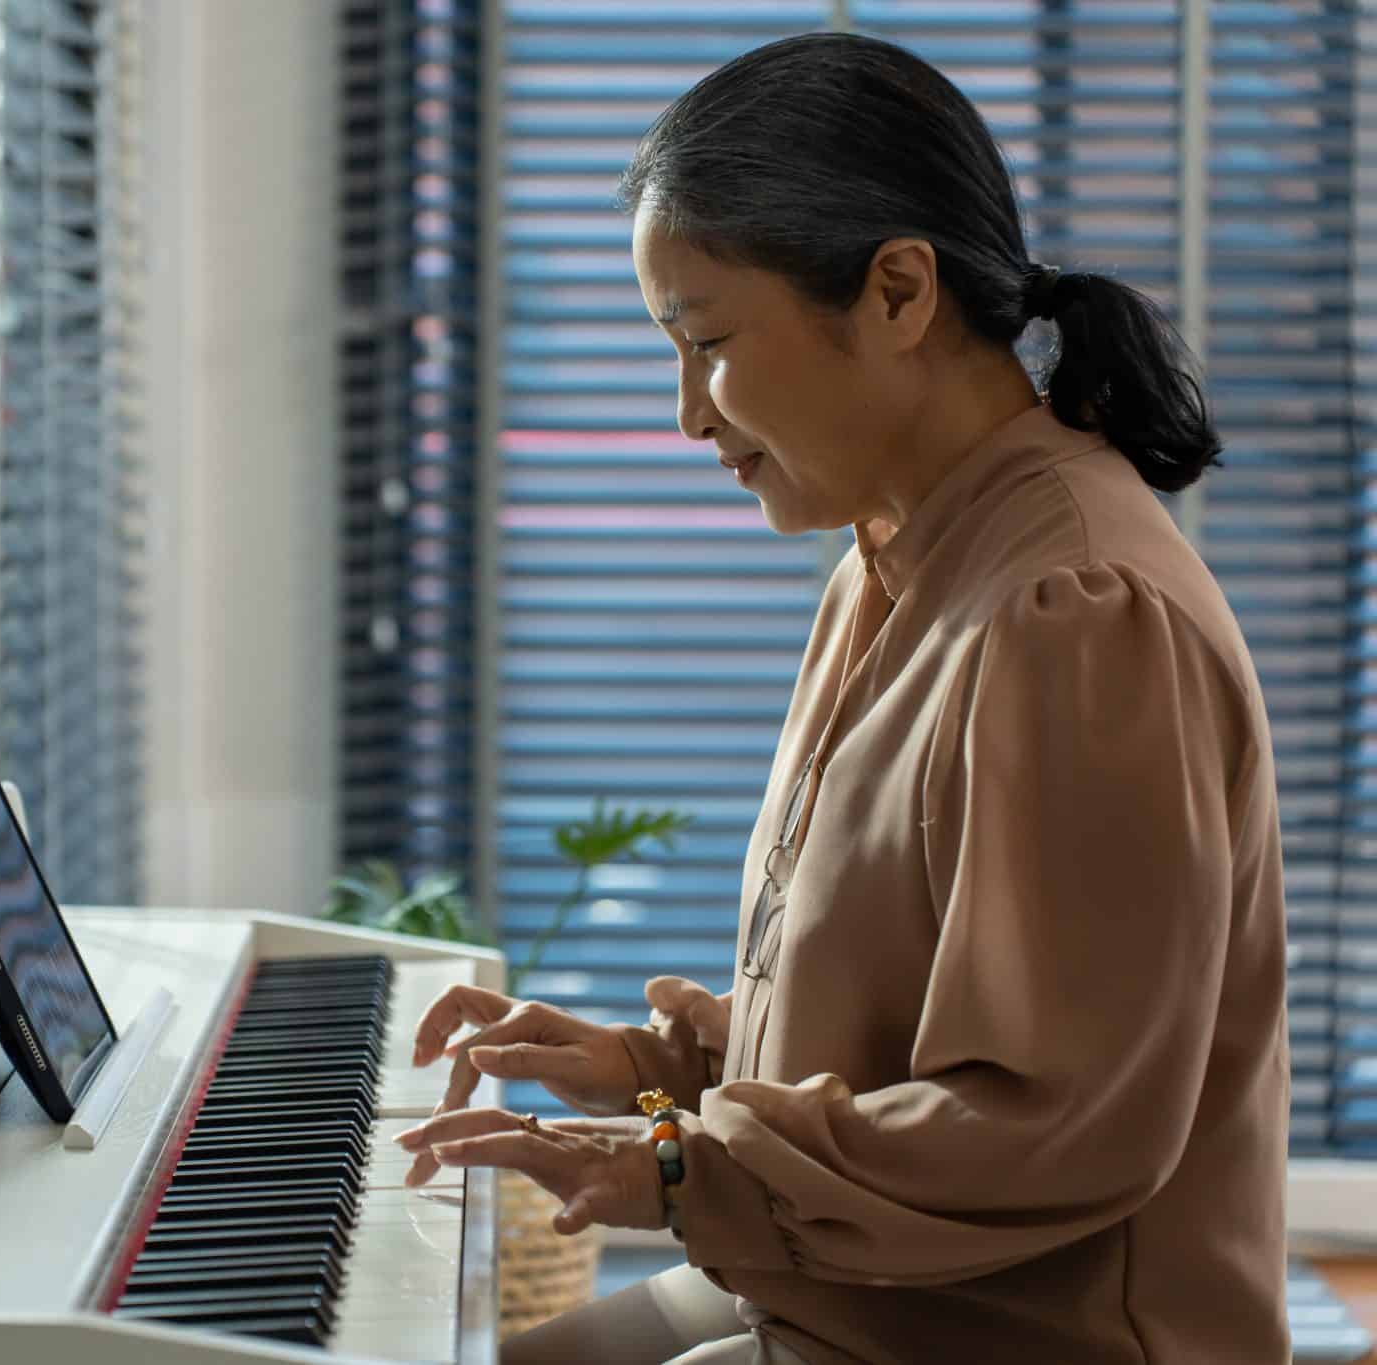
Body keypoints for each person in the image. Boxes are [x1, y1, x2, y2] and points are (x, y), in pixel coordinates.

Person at [391, 32, 1290, 1365]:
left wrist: (680, 1168)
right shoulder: (892, 559)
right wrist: (650, 1068)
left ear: (899, 291)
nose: (690, 414)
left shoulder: (1080, 615)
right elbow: (896, 1036)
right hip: (874, 1293)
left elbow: (1057, 1119)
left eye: (707, 345)